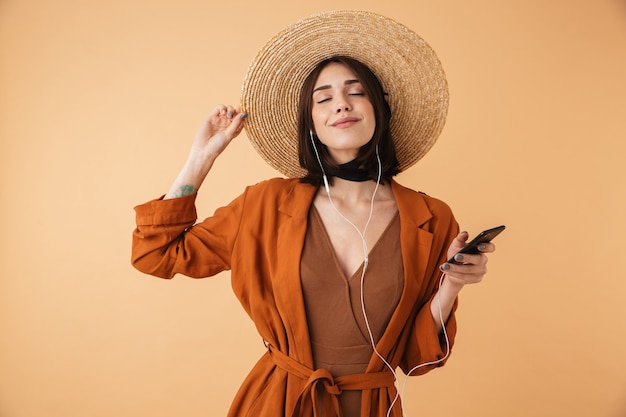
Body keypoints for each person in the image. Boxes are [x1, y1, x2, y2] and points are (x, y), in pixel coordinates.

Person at [131, 10, 496, 417]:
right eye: (323, 98)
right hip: (279, 403)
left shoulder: (431, 217)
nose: (341, 104)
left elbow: (418, 359)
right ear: (312, 124)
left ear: (379, 109)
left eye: (356, 93)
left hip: (372, 407)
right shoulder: (265, 205)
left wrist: (451, 288)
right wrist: (201, 158)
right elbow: (156, 254)